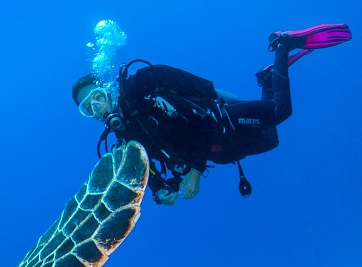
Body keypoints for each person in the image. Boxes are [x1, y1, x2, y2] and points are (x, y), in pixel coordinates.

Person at [72, 24, 352, 205]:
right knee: (270, 139)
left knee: (280, 112)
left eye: (97, 98)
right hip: (219, 149)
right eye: (89, 108)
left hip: (222, 121)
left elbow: (200, 118)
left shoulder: (144, 95)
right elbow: (148, 168)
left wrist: (195, 170)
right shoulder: (124, 138)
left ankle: (281, 44)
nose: (98, 108)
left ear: (107, 90)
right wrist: (160, 191)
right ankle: (267, 78)